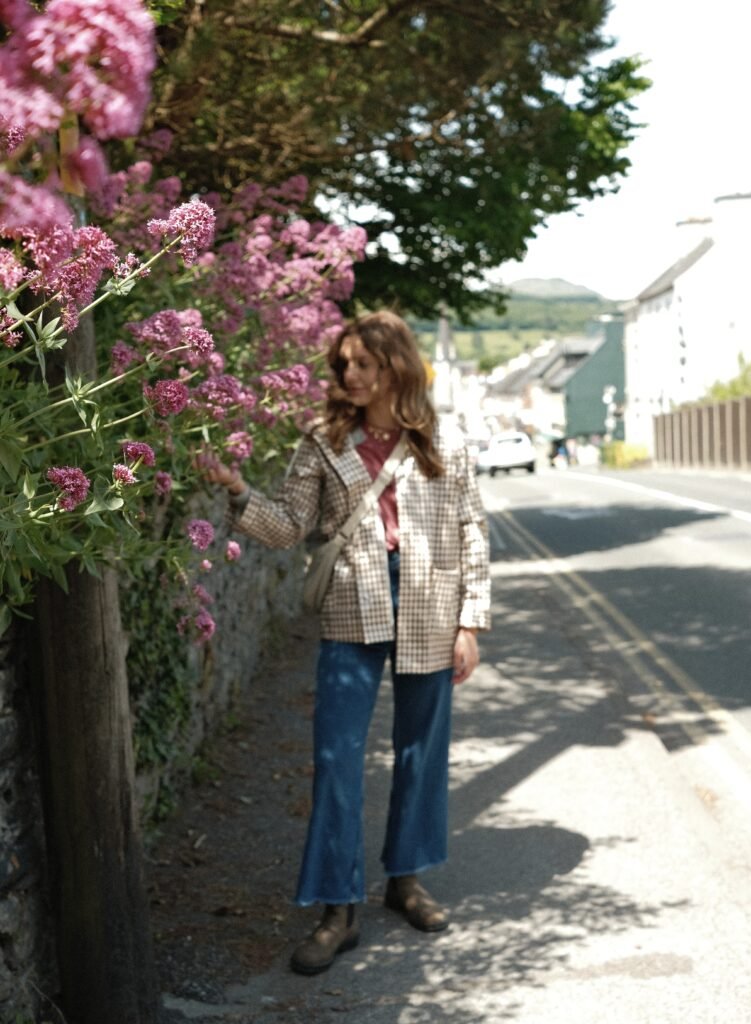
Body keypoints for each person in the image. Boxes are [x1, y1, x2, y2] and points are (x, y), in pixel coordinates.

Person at [200, 310, 491, 975]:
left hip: (429, 600)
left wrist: (470, 622)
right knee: (335, 756)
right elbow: (287, 527)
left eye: (363, 363)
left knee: (422, 750)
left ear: (396, 366)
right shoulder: (322, 440)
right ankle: (338, 908)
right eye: (343, 364)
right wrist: (237, 489)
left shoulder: (443, 439)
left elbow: (471, 530)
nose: (349, 374)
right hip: (350, 603)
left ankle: (406, 881)